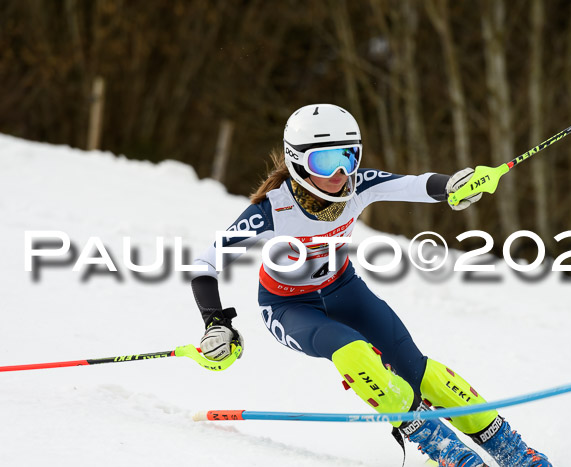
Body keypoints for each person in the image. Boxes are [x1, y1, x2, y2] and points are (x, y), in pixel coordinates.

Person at [191, 104, 552, 467]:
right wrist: (215, 322)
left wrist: (454, 186)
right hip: (289, 307)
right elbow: (206, 265)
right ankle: (447, 454)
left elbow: (417, 185)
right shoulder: (272, 211)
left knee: (416, 369)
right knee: (353, 352)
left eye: (348, 157)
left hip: (344, 289)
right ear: (297, 161)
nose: (339, 173)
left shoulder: (357, 185)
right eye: (324, 162)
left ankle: (515, 453)